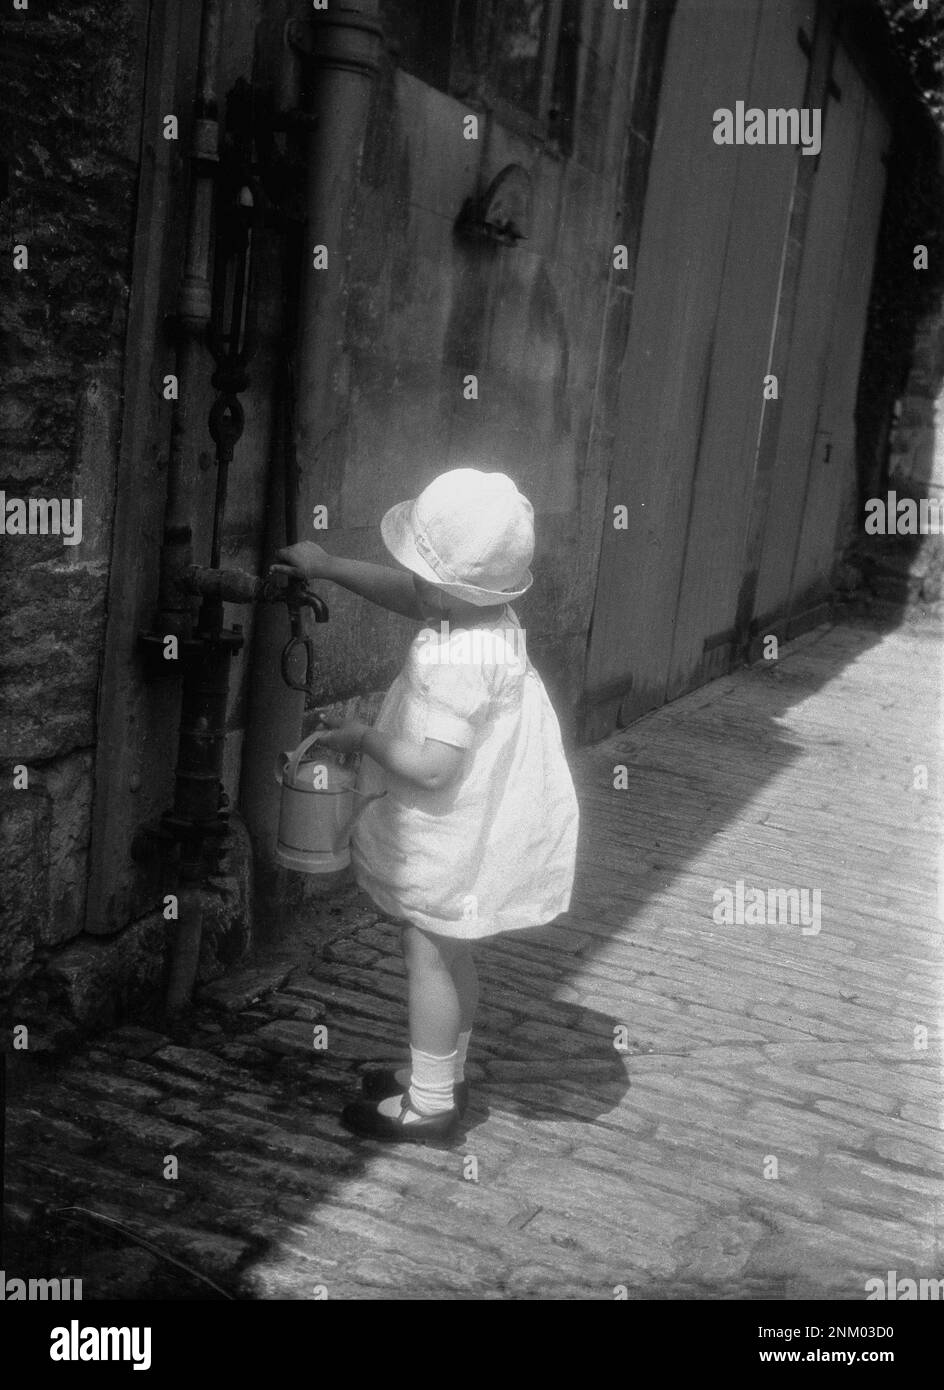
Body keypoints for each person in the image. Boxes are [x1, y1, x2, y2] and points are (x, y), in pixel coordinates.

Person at [271, 467, 579, 1142]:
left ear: (446, 587)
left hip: (453, 825)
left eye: (424, 574)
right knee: (450, 950)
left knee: (429, 953)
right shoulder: (488, 615)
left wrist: (365, 739)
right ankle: (442, 1074)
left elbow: (433, 769)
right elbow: (409, 594)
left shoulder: (460, 656)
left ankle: (432, 1105)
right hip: (477, 825)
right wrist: (328, 567)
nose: (414, 584)